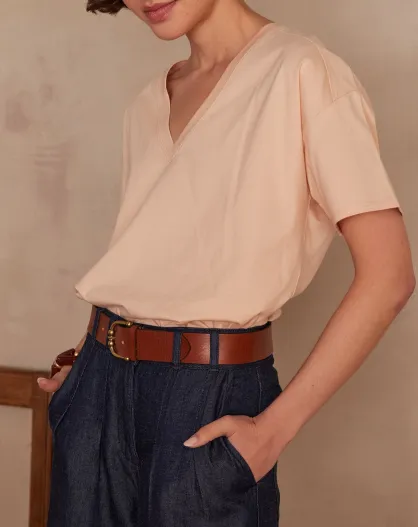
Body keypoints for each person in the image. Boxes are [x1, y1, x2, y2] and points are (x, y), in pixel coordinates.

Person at [37, 1, 415, 526]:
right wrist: (89, 365)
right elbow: (154, 257)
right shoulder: (149, 101)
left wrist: (273, 431)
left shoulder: (303, 72)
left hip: (208, 395)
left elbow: (389, 276)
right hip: (98, 387)